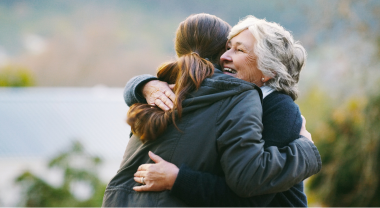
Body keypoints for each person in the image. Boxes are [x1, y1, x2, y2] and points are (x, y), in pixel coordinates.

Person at [103, 14, 321, 207]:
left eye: (239, 50)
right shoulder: (218, 94)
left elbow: (252, 198)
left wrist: (178, 179)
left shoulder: (279, 108)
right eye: (227, 48)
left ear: (268, 70)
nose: (224, 57)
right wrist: (144, 85)